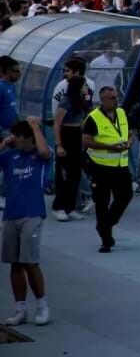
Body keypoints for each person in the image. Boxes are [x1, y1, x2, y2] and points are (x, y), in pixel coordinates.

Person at [1, 119, 52, 327]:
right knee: (15, 263)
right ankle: (20, 309)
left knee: (30, 262)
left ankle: (42, 305)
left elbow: (45, 152)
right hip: (11, 214)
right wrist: (5, 144)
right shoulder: (9, 156)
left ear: (28, 137)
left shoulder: (39, 156)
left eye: (18, 136)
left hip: (32, 213)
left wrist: (35, 128)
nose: (16, 140)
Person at [82, 86, 133, 253]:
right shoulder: (93, 118)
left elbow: (130, 133)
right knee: (102, 202)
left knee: (125, 195)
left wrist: (128, 143)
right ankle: (105, 239)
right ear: (103, 99)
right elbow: (86, 141)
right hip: (101, 166)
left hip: (120, 165)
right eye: (112, 98)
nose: (115, 100)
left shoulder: (122, 113)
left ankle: (106, 223)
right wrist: (109, 147)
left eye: (116, 97)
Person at [51, 74, 92, 221]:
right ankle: (59, 206)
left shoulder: (80, 101)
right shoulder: (66, 102)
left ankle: (70, 207)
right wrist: (59, 145)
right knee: (64, 174)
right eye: (84, 85)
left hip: (76, 136)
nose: (86, 88)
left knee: (75, 174)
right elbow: (57, 124)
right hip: (66, 135)